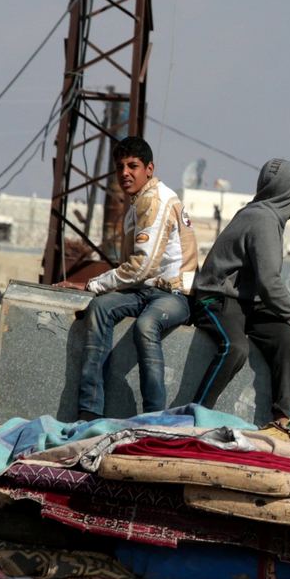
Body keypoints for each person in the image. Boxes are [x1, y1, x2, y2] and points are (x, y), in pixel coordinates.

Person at [61, 136, 198, 420]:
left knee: (146, 326)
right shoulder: (138, 203)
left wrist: (92, 284)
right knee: (99, 308)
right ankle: (90, 410)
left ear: (149, 168)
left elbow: (141, 267)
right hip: (144, 291)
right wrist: (97, 292)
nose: (125, 173)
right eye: (120, 167)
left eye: (133, 166)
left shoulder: (156, 201)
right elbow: (137, 273)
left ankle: (154, 417)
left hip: (173, 295)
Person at [189, 158, 290, 427]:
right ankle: (195, 414)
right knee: (235, 348)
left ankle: (281, 419)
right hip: (215, 298)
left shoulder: (266, 215)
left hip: (246, 302)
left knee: (286, 340)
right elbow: (270, 282)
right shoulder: (262, 219)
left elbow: (264, 286)